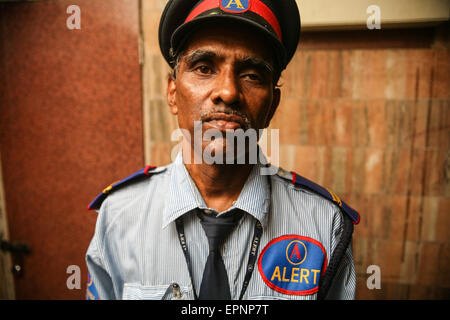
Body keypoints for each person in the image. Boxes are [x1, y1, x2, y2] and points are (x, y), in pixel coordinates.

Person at [85, 0, 360, 300]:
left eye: (252, 75)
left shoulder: (323, 224)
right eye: (204, 68)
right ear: (173, 93)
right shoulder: (119, 216)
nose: (228, 92)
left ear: (272, 106)